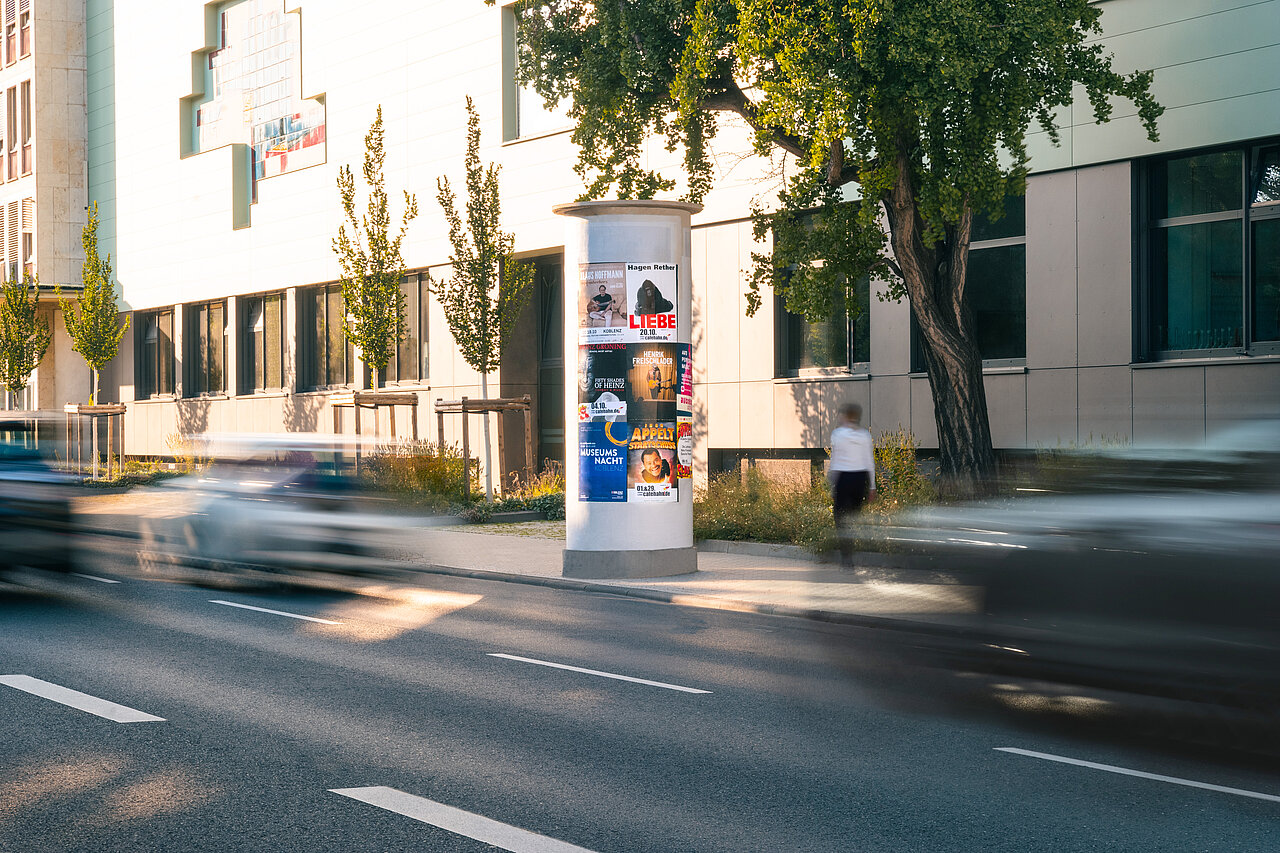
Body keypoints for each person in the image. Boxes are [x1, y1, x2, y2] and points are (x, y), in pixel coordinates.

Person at [828, 402, 876, 564]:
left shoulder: (838, 434)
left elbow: (834, 462)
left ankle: (846, 556)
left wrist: (832, 486)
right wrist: (872, 487)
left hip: (843, 478)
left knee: (840, 518)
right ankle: (851, 545)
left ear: (845, 416)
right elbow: (869, 462)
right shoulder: (864, 436)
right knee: (853, 515)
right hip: (860, 479)